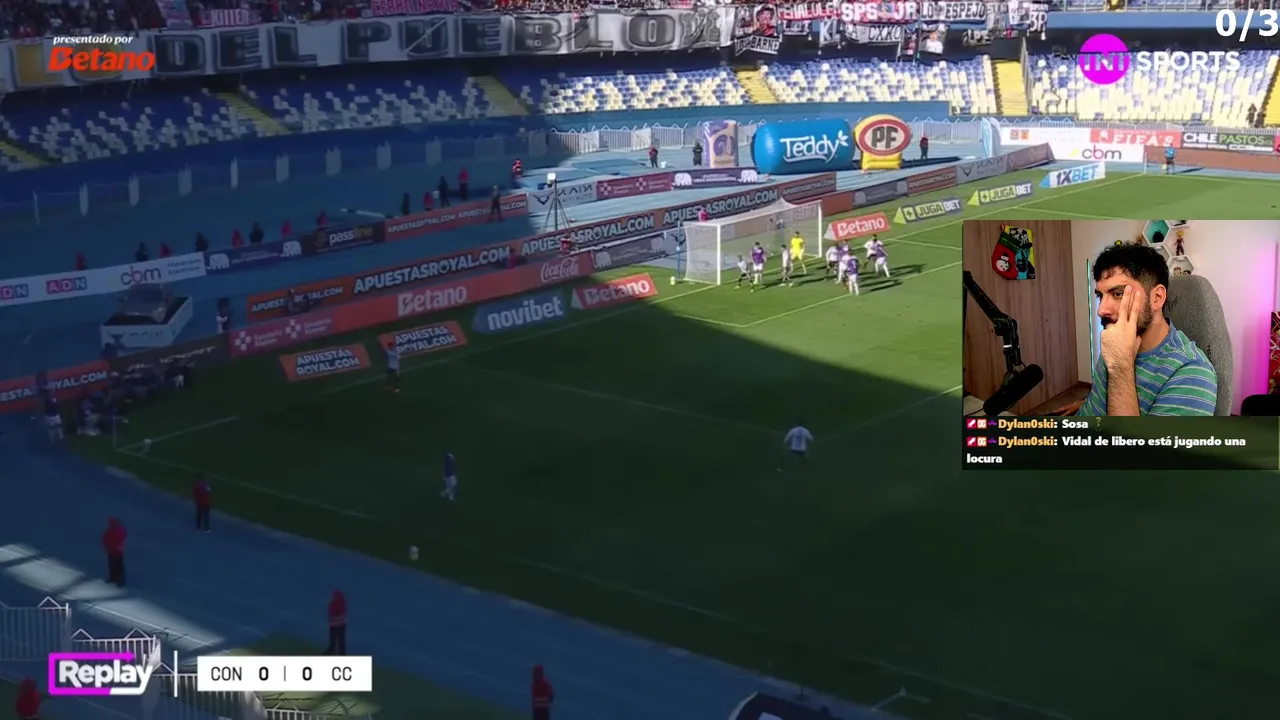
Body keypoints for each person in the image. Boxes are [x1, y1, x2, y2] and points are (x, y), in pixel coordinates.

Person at [1057, 243, 1217, 417]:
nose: (1101, 310)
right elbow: (1104, 391)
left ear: (1157, 297)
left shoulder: (1192, 373)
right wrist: (1089, 402)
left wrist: (1120, 365)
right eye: (1100, 296)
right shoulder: (1118, 335)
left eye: (1118, 293)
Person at [103, 517, 127, 586]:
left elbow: (105, 540)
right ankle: (116, 579)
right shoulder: (120, 530)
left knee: (116, 566)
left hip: (115, 551)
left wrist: (108, 547)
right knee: (115, 566)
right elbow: (105, 540)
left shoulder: (110, 532)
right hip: (115, 551)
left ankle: (117, 579)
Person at [326, 590, 347, 655]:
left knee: (340, 641)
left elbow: (334, 615)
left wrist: (334, 620)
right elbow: (332, 614)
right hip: (336, 625)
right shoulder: (334, 604)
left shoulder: (340, 604)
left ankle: (341, 654)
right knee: (334, 641)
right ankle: (332, 651)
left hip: (339, 626)